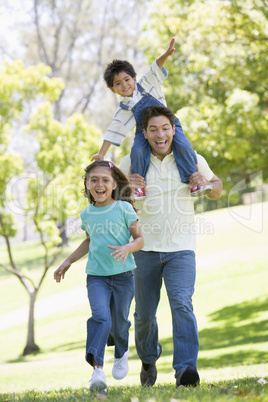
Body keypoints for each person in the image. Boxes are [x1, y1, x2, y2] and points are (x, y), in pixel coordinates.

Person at [119, 105, 223, 387]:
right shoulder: (131, 162)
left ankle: (185, 369)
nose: (160, 134)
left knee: (182, 304)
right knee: (144, 315)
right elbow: (112, 202)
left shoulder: (191, 159)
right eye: (153, 129)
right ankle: (149, 358)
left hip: (181, 248)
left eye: (165, 128)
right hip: (144, 250)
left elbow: (218, 188)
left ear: (173, 131)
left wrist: (207, 184)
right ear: (145, 133)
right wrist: (126, 188)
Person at [54, 160, 144, 393]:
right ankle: (97, 369)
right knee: (101, 318)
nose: (99, 184)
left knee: (120, 322)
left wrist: (127, 248)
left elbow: (140, 239)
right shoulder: (87, 214)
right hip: (97, 277)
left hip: (124, 276)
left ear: (114, 184)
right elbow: (89, 240)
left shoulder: (124, 208)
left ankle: (121, 351)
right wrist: (67, 261)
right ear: (87, 184)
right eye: (94, 180)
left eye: (105, 180)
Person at [91, 37, 211, 199]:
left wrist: (167, 54)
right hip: (143, 130)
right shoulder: (123, 110)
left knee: (183, 145)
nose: (124, 85)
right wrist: (101, 154)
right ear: (113, 89)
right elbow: (113, 131)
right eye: (118, 83)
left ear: (134, 79)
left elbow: (155, 67)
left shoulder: (147, 84)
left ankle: (194, 180)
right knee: (137, 150)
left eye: (127, 80)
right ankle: (139, 187)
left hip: (169, 124)